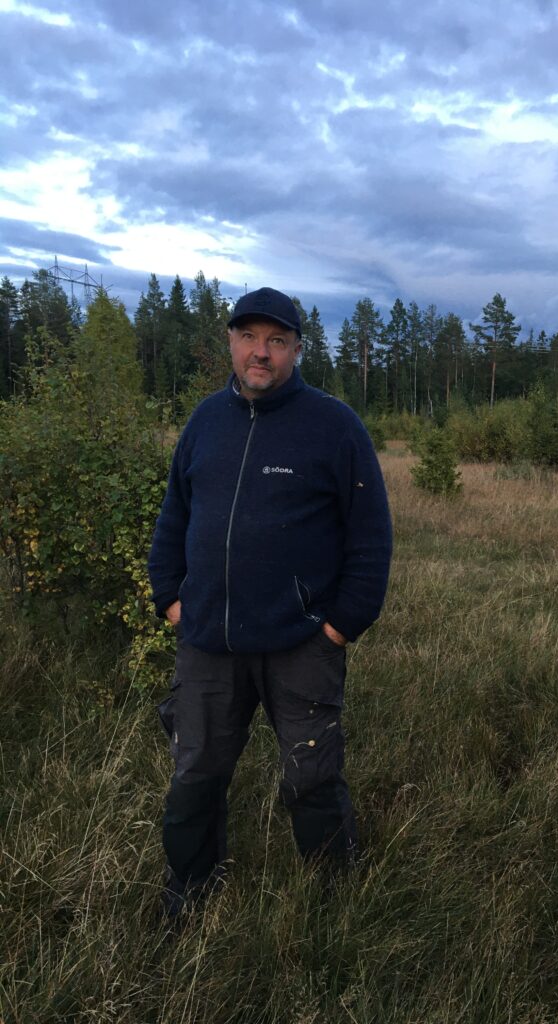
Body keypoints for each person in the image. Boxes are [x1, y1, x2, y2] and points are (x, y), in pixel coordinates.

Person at [148, 286, 392, 921]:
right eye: (249, 337)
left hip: (301, 643)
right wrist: (170, 598)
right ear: (230, 342)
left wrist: (339, 628)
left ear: (296, 350)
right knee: (196, 772)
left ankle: (330, 892)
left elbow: (371, 537)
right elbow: (174, 514)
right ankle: (190, 887)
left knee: (312, 774)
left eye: (276, 340)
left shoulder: (334, 426)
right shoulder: (205, 421)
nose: (261, 353)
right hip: (208, 642)